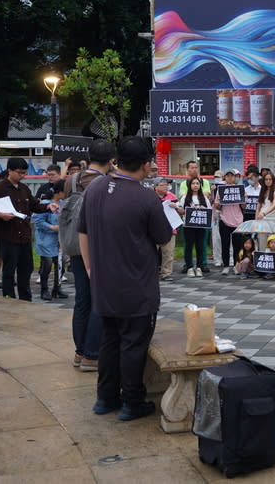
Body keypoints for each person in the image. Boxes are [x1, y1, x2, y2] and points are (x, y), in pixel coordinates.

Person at [78, 136, 173, 421]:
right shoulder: (146, 197)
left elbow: (83, 231)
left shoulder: (94, 189)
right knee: (133, 343)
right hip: (136, 285)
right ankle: (132, 401)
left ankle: (105, 399)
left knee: (109, 340)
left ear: (117, 161)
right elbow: (163, 236)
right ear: (145, 165)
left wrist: (90, 269)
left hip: (103, 281)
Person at [63, 140, 116, 372]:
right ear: (111, 159)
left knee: (82, 300)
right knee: (99, 300)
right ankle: (92, 355)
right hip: (99, 248)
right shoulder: (107, 183)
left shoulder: (72, 180)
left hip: (75, 245)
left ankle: (79, 351)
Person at [0, 157, 58, 301]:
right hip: (8, 236)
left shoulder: (24, 188)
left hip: (24, 236)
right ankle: (9, 298)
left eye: (24, 173)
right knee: (9, 270)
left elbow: (34, 205)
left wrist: (48, 206)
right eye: (19, 173)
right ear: (9, 170)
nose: (22, 176)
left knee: (26, 269)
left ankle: (25, 298)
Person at [33, 179, 68, 301]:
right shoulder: (45, 203)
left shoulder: (64, 203)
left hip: (60, 239)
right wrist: (52, 227)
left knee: (61, 263)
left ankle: (57, 288)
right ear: (59, 191)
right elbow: (38, 221)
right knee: (47, 264)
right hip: (46, 239)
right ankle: (44, 289)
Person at [214, 169, 245, 275]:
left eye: (232, 176)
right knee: (225, 244)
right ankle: (226, 266)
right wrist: (220, 199)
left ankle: (237, 266)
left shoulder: (240, 189)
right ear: (225, 178)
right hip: (224, 220)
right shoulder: (221, 189)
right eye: (228, 176)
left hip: (237, 220)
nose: (230, 178)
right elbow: (217, 205)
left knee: (237, 245)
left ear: (235, 177)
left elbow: (243, 206)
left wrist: (243, 199)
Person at [180, 177, 211, 278]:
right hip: (188, 226)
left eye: (197, 183)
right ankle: (189, 267)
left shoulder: (204, 198)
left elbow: (209, 211)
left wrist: (203, 208)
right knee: (189, 246)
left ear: (200, 185)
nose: (195, 185)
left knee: (200, 246)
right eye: (193, 183)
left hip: (200, 226)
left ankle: (199, 267)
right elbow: (180, 210)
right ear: (189, 185)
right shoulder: (185, 198)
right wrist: (187, 209)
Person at [154, 177, 181, 281]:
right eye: (163, 185)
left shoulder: (172, 197)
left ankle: (166, 273)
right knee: (151, 252)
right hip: (154, 229)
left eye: (166, 185)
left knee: (168, 252)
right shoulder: (150, 197)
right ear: (156, 187)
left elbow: (182, 211)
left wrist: (176, 207)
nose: (166, 187)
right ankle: (152, 272)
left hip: (170, 228)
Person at [256, 172, 275, 250]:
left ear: (273, 180)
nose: (268, 181)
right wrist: (256, 218)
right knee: (262, 244)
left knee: (274, 244)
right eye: (266, 179)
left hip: (273, 220)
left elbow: (274, 206)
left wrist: (264, 213)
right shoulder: (262, 191)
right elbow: (258, 206)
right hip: (262, 220)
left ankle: (274, 261)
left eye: (270, 179)